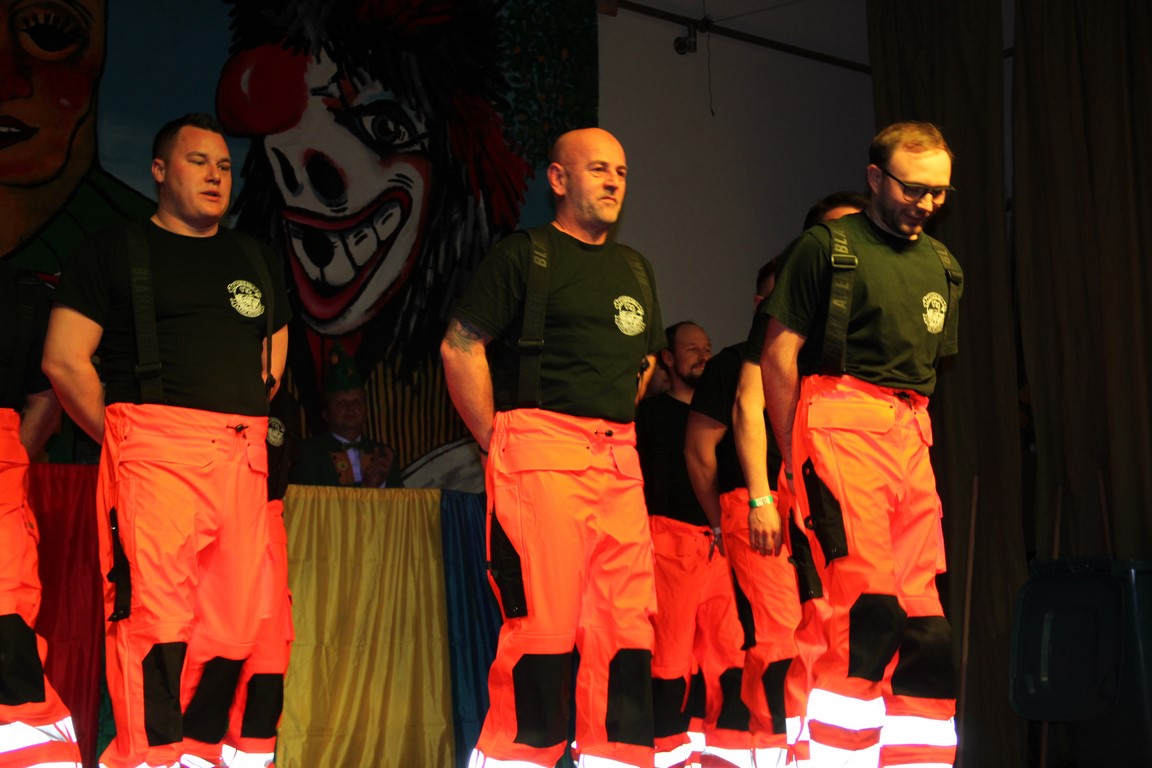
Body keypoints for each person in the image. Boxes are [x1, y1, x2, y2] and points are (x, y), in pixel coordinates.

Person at [42, 113, 291, 768]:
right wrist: (128, 438)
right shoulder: (114, 250)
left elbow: (272, 358)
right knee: (155, 622)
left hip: (241, 456)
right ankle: (148, 757)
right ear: (158, 170)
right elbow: (64, 359)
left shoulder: (254, 258)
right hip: (154, 451)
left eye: (225, 165)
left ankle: (197, 754)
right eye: (197, 161)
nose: (215, 175)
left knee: (235, 625)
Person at [440, 127, 663, 768]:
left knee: (625, 630)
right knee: (544, 631)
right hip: (540, 454)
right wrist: (498, 439)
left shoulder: (635, 268)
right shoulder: (525, 255)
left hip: (619, 460)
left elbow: (645, 361)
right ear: (559, 180)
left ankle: (615, 757)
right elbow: (460, 346)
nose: (614, 181)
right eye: (598, 169)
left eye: (621, 171)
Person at [759, 122, 962, 767]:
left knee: (925, 624)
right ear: (875, 177)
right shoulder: (825, 248)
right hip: (839, 425)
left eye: (938, 192)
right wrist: (795, 455)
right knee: (862, 612)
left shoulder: (943, 266)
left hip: (911, 435)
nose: (925, 203)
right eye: (912, 188)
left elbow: (926, 373)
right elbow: (778, 358)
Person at [728, 192, 867, 767]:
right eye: (835, 233)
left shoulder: (877, 297)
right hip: (813, 482)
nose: (847, 245)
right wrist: (764, 494)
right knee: (823, 620)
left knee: (887, 621)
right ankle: (809, 753)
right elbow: (748, 401)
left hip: (876, 475)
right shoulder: (790, 306)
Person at [637, 321, 755, 768]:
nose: (704, 355)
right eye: (692, 349)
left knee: (730, 654)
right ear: (668, 358)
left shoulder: (720, 413)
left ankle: (726, 755)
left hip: (720, 545)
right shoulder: (648, 415)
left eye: (708, 347)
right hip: (668, 545)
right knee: (669, 661)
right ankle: (669, 755)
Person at [0, 261, 81, 766]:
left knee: (7, 627)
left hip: (2, 463)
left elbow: (47, 394)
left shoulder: (23, 293)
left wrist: (11, 460)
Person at [220, 387, 299, 767]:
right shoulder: (201, 381)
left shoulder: (282, 403)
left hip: (265, 520)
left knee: (267, 659)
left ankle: (252, 756)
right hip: (213, 515)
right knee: (206, 652)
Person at [290, 344, 404, 488]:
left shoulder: (383, 453)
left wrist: (383, 482)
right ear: (325, 414)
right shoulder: (309, 452)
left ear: (366, 412)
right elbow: (310, 498)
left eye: (357, 402)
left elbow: (401, 498)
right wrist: (365, 486)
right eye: (341, 403)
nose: (350, 408)